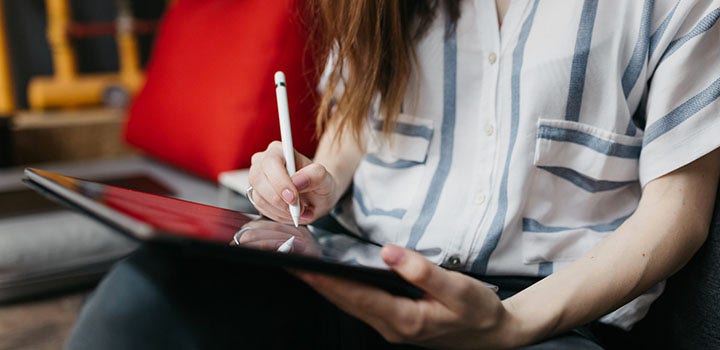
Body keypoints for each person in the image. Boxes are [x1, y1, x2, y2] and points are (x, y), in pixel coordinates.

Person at [68, 0, 720, 349]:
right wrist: (315, 175)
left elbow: (678, 215)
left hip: (543, 316)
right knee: (147, 295)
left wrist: (513, 323)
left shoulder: (676, 7)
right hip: (353, 276)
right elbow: (356, 126)